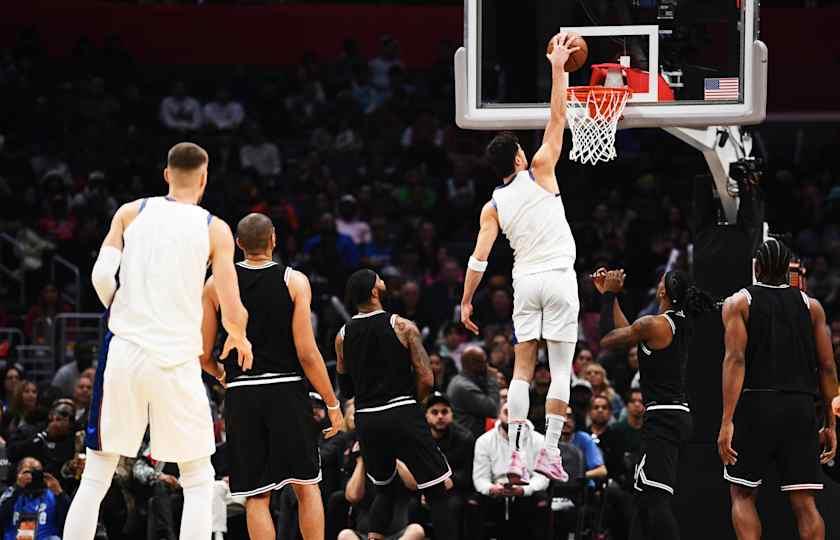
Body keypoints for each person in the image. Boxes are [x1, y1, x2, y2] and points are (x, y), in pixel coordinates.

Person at [63, 142, 253, 540]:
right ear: (203, 179)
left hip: (125, 351)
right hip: (177, 360)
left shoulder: (131, 212)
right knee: (198, 477)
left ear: (167, 174)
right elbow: (232, 307)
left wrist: (122, 307)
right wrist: (237, 338)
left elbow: (100, 277)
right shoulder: (214, 228)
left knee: (97, 473)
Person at [460, 32, 583, 485]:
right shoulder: (541, 169)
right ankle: (549, 450)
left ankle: (514, 455)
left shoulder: (491, 206)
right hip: (558, 276)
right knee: (562, 368)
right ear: (517, 155)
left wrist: (466, 302)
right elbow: (557, 115)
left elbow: (478, 259)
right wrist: (557, 68)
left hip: (525, 281)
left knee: (521, 371)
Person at [200, 212, 343, 540]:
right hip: (285, 389)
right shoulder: (294, 280)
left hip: (242, 394)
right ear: (274, 239)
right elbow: (307, 353)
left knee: (257, 496)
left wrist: (224, 376)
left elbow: (203, 355)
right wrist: (332, 403)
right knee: (306, 486)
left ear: (238, 244)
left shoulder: (215, 285)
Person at [718, 239, 838, 540]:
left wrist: (727, 420)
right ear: (788, 270)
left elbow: (735, 360)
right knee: (805, 503)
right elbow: (828, 368)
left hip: (756, 404)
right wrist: (831, 423)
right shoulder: (811, 306)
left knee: (743, 495)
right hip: (800, 407)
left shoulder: (739, 302)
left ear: (756, 268)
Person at [335, 269, 458, 540]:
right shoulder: (402, 325)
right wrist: (414, 403)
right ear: (373, 291)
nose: (383, 282)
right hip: (402, 409)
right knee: (437, 490)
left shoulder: (342, 335)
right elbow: (426, 377)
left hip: (367, 419)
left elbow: (345, 388)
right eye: (379, 279)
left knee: (385, 490)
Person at [598, 268, 715, 540]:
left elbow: (606, 340)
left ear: (663, 291)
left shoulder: (655, 324)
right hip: (672, 414)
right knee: (643, 496)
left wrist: (608, 296)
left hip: (663, 416)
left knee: (655, 500)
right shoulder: (669, 322)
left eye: (660, 281)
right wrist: (610, 296)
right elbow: (629, 332)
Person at [469, 402, 549, 540]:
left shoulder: (539, 440)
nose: (512, 415)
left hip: (526, 491)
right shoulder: (484, 441)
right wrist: (491, 488)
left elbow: (542, 478)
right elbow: (480, 478)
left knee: (540, 498)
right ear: (499, 414)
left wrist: (523, 490)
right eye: (507, 411)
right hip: (496, 491)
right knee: (474, 501)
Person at [419, 392, 474, 540]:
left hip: (453, 490)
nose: (440, 416)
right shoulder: (418, 438)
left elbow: (467, 476)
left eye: (444, 411)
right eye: (434, 412)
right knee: (410, 505)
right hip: (422, 489)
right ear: (426, 415)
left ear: (451, 414)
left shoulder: (465, 438)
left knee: (451, 505)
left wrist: (447, 482)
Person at [0, 457, 70, 540]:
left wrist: (60, 493)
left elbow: (68, 520)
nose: (31, 476)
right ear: (18, 473)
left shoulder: (53, 494)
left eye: (36, 471)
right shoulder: (10, 493)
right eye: (27, 472)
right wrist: (17, 488)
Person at [446, 346, 500, 439]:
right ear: (473, 364)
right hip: (467, 441)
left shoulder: (461, 380)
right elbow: (493, 409)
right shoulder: (465, 387)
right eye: (483, 362)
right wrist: (492, 379)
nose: (487, 366)